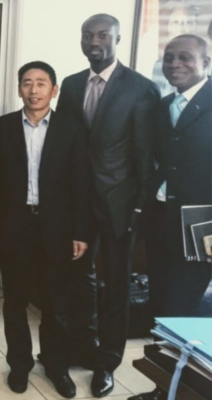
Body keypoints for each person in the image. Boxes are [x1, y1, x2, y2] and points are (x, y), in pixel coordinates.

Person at [56, 13, 159, 398]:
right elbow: (65, 144)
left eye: (102, 35)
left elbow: (145, 155)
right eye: (88, 35)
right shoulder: (70, 84)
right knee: (78, 280)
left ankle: (107, 361)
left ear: (117, 39)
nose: (94, 41)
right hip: (76, 204)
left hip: (120, 204)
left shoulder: (140, 88)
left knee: (115, 285)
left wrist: (139, 209)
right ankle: (83, 347)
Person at [0, 61, 90, 398]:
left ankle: (56, 365)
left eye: (41, 83)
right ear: (19, 89)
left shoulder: (71, 129)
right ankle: (19, 365)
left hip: (57, 228)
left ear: (53, 90)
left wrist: (81, 231)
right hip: (14, 225)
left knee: (56, 304)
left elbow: (81, 184)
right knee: (14, 302)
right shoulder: (1, 128)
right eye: (27, 83)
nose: (34, 90)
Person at [132, 34, 212, 400]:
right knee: (161, 307)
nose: (175, 64)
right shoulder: (163, 106)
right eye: (169, 57)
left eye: (185, 57)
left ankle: (182, 392)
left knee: (183, 309)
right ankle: (162, 387)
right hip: (161, 220)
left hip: (202, 225)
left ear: (205, 63)